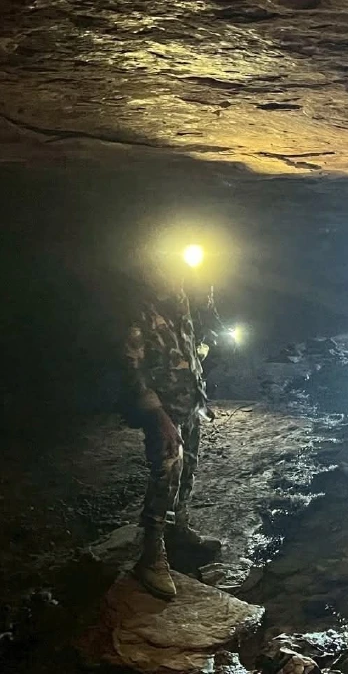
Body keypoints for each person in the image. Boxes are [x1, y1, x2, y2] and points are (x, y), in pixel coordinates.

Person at [122, 245, 226, 599]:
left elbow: (193, 347)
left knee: (188, 468)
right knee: (166, 475)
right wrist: (158, 417)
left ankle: (178, 528)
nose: (175, 276)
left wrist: (200, 397)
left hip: (188, 404)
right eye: (167, 269)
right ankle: (151, 556)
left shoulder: (181, 302)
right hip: (163, 412)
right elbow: (133, 371)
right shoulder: (139, 312)